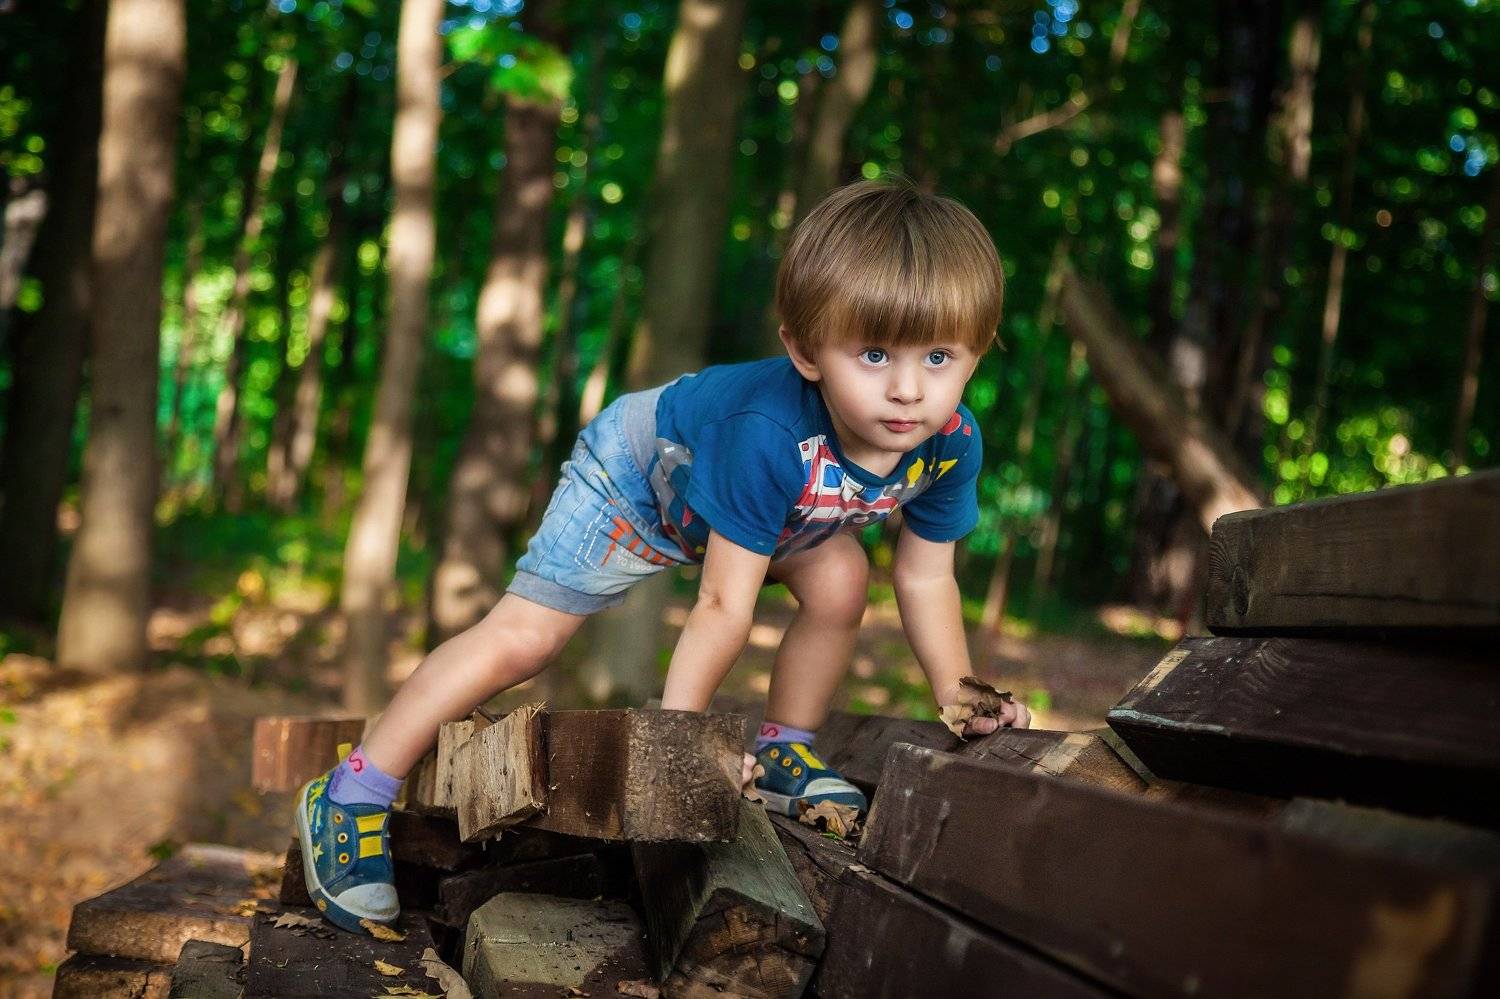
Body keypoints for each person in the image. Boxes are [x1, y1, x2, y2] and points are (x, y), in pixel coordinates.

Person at [293, 177, 1030, 934]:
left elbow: (926, 575)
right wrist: (682, 746)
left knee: (842, 577)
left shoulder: (950, 444)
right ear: (806, 350)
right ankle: (352, 792)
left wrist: (961, 695)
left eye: (938, 356)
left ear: (977, 354)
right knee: (525, 640)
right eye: (874, 354)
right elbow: (722, 605)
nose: (908, 389)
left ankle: (786, 749)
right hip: (639, 481)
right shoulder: (768, 432)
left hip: (758, 515)